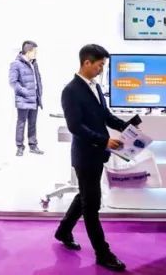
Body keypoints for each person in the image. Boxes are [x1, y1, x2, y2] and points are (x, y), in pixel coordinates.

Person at [56, 44, 135, 272]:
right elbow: (75, 127)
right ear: (86, 62)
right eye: (100, 65)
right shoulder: (70, 91)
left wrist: (126, 127)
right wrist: (104, 141)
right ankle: (103, 253)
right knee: (92, 205)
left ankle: (63, 231)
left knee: (86, 195)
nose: (102, 69)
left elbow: (105, 116)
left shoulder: (96, 87)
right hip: (85, 155)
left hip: (97, 154)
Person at [9, 40, 43, 156]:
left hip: (35, 98)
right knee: (21, 123)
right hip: (23, 99)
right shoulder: (16, 64)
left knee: (33, 123)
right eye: (35, 51)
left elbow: (38, 79)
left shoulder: (34, 63)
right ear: (28, 51)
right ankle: (19, 147)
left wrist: (39, 93)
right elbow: (13, 82)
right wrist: (25, 91)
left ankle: (33, 145)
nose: (36, 54)